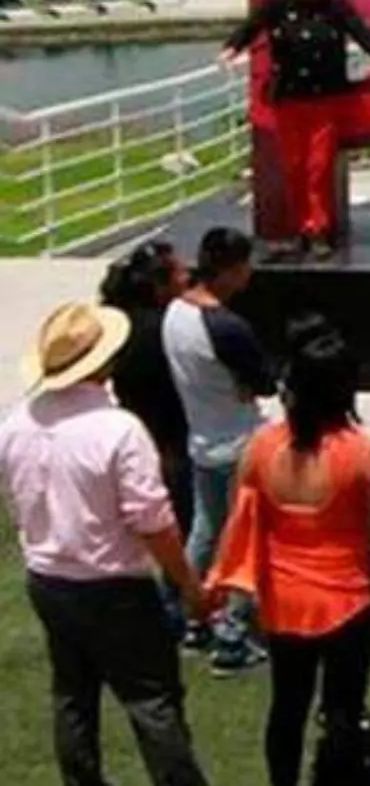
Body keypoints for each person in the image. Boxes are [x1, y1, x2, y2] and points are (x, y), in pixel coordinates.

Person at [2, 302, 213, 786]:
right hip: (114, 586)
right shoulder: (119, 430)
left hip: (49, 578)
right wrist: (186, 583)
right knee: (151, 699)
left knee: (73, 692)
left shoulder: (17, 423)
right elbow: (153, 521)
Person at [208, 313, 370, 786]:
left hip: (283, 603)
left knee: (286, 707)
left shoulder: (261, 448)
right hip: (351, 601)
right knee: (343, 709)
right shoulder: (361, 454)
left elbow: (240, 519)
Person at [221, 0, 370, 260]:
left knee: (318, 168)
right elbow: (251, 27)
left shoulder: (335, 5)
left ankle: (319, 229)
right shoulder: (276, 4)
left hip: (326, 98)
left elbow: (359, 29)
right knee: (293, 167)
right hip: (288, 98)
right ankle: (300, 228)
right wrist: (233, 47)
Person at [163, 226, 273, 675]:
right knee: (244, 542)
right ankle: (232, 634)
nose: (249, 273)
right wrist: (248, 387)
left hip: (202, 439)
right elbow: (264, 382)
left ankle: (192, 620)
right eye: (244, 265)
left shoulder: (174, 312)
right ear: (229, 269)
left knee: (205, 534)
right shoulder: (226, 326)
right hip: (239, 446)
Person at [99, 239, 195, 630]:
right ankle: (178, 607)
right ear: (159, 286)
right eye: (178, 272)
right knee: (181, 528)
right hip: (171, 439)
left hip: (139, 434)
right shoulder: (165, 331)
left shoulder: (118, 326)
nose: (187, 276)